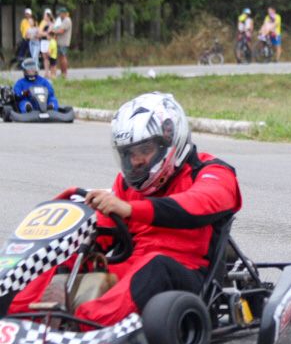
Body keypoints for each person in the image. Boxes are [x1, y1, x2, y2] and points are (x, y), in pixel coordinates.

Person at [6, 92, 242, 328]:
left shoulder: (213, 172)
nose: (136, 161)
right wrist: (74, 239)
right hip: (133, 269)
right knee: (67, 259)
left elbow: (196, 206)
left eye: (145, 149)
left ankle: (81, 325)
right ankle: (15, 317)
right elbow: (105, 233)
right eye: (129, 153)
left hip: (186, 274)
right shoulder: (127, 184)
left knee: (155, 265)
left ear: (169, 139)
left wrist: (130, 209)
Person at [54, 7, 72, 77]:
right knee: (61, 57)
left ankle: (64, 73)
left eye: (60, 13)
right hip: (60, 42)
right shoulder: (62, 20)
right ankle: (62, 73)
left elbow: (61, 30)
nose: (59, 15)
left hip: (64, 42)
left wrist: (53, 31)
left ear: (64, 13)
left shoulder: (67, 20)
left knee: (63, 57)